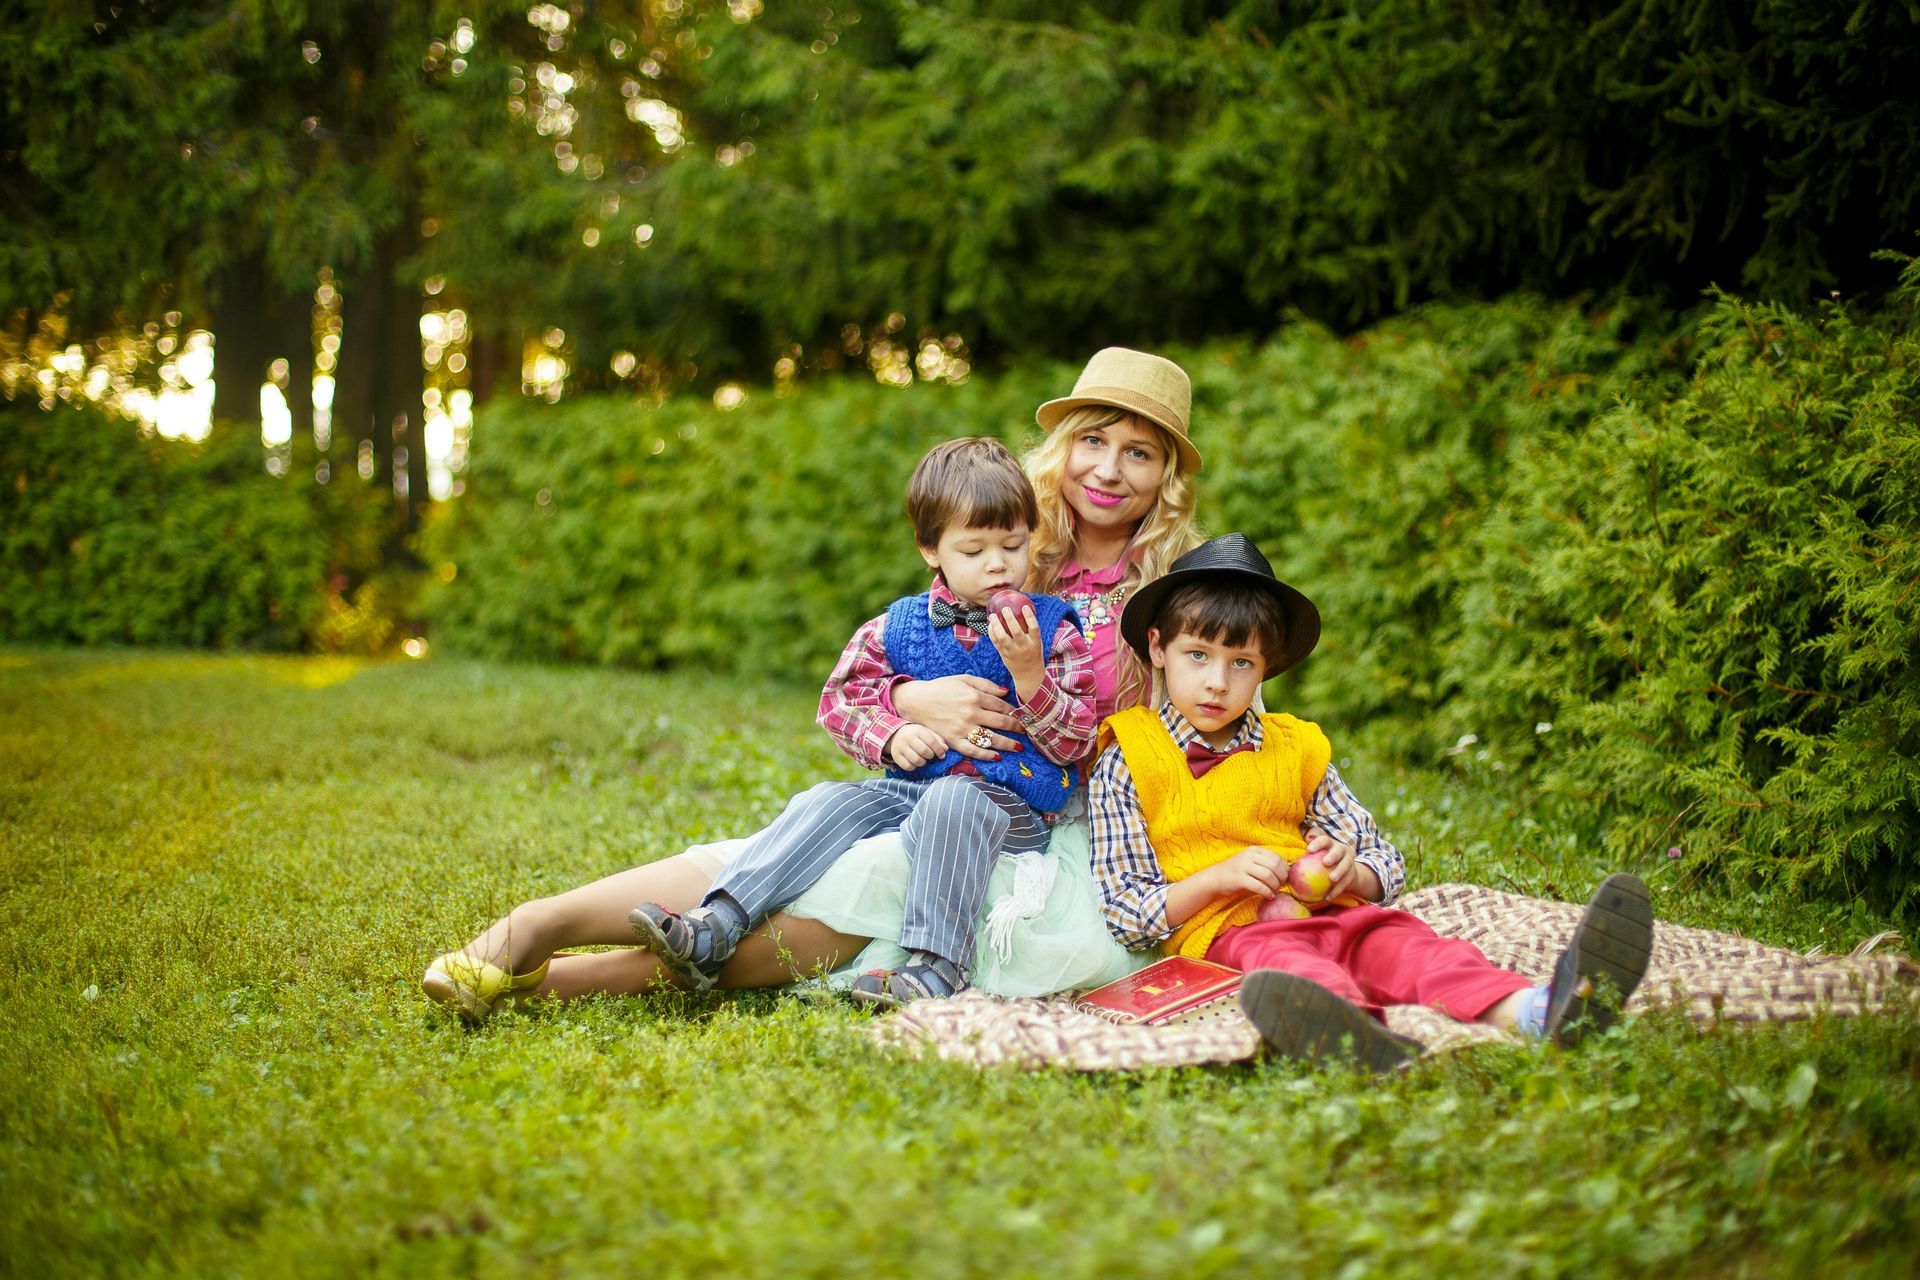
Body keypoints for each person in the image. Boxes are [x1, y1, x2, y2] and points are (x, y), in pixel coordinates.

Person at [422, 347, 1203, 1019]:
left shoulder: (1178, 592)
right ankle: (537, 926)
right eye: (1093, 441)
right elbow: (894, 660)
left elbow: (1208, 724)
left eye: (1139, 452)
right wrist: (905, 703)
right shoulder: (1005, 532)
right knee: (814, 829)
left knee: (871, 881)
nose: (1107, 469)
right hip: (927, 774)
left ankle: (561, 981)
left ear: (1167, 473)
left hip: (1050, 817)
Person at [1090, 532, 1657, 1072]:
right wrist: (1219, 878)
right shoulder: (1130, 756)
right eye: (1198, 655)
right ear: (1158, 648)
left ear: (1267, 668)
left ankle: (1543, 1012)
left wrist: (1350, 874)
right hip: (1234, 935)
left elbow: (1383, 859)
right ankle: (1353, 1037)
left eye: (1241, 663)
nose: (1217, 682)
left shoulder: (1296, 746)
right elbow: (1128, 913)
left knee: (1415, 947)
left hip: (1335, 912)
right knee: (1296, 970)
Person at [624, 437, 1097, 1005]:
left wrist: (1029, 676)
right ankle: (718, 923)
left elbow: (1076, 740)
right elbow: (841, 701)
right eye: (974, 550)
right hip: (912, 792)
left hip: (1013, 810)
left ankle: (937, 967)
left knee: (955, 801)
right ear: (931, 549)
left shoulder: (1053, 630)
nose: (998, 564)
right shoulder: (896, 626)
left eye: (1013, 545)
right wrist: (893, 732)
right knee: (830, 800)